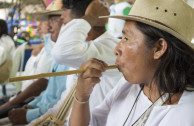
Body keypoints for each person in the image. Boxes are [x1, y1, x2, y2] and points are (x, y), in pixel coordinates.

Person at [69, 0, 194, 125]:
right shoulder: (128, 86)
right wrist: (82, 96)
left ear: (159, 48)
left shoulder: (185, 114)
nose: (116, 49)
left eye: (126, 39)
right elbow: (94, 123)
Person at [29, 0, 123, 125]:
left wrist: (91, 15)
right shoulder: (82, 52)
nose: (64, 28)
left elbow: (62, 52)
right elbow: (65, 103)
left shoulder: (111, 48)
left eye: (66, 23)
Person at [0, 20, 53, 118]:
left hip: (25, 100)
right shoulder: (46, 49)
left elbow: (40, 85)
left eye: (42, 23)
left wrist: (9, 104)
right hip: (22, 97)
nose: (38, 28)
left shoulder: (54, 53)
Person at [0, 19, 15, 84]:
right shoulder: (7, 39)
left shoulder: (3, 41)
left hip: (3, 73)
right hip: (6, 70)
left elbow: (1, 56)